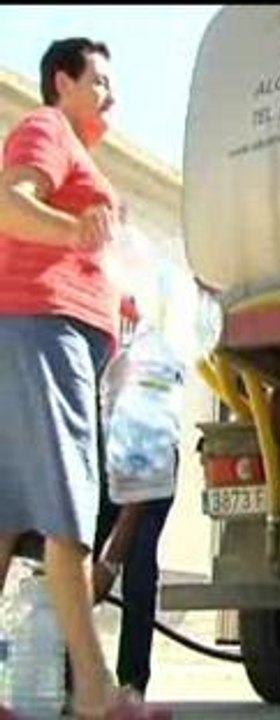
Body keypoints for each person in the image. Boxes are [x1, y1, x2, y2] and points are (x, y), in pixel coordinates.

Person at [0, 36, 168, 718]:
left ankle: (93, 691)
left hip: (40, 332)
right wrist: (73, 235)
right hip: (46, 330)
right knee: (66, 507)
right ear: (61, 82)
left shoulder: (80, 159)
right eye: (96, 79)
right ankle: (97, 694)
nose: (110, 93)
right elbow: (9, 203)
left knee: (8, 517)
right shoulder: (48, 130)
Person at [91, 295, 176, 699]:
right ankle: (70, 677)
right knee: (73, 557)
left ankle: (131, 685)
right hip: (107, 445)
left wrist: (109, 562)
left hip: (149, 460)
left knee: (137, 563)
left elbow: (141, 491)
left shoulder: (152, 354)